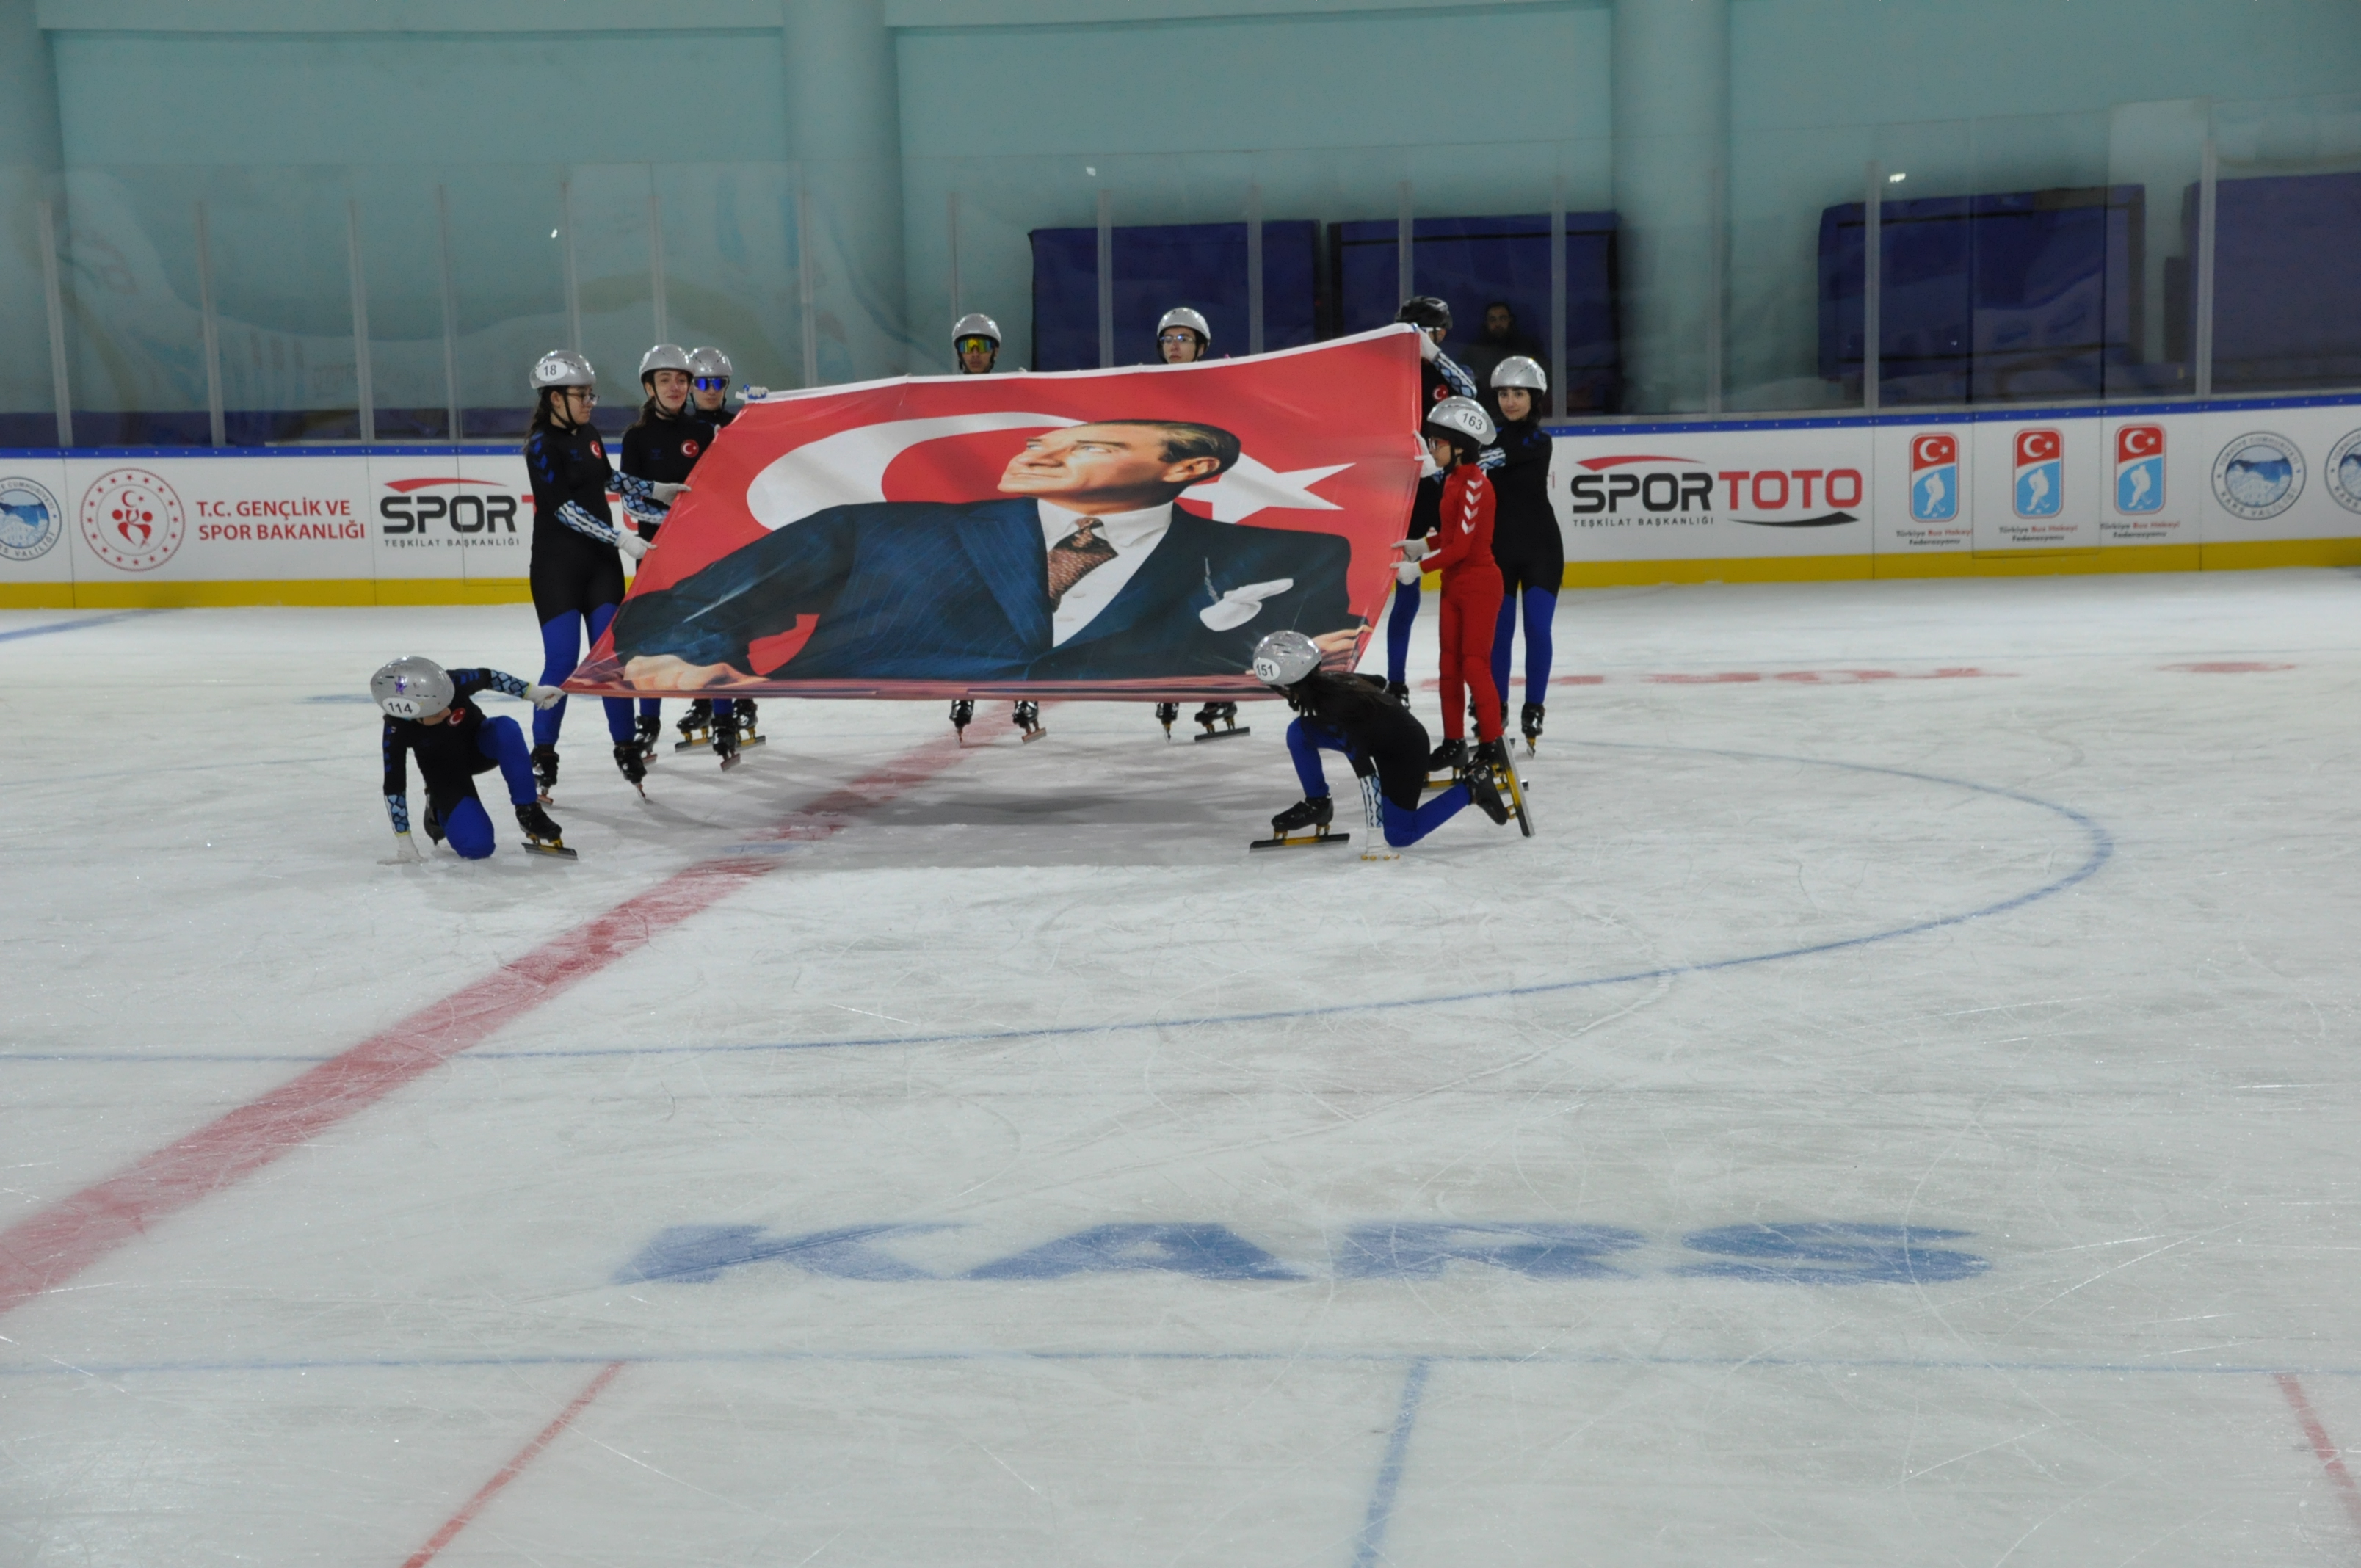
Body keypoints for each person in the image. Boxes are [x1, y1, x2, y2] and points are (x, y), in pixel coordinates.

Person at [612, 420, 1360, 689]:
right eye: (1037, 442)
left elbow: (1299, 656)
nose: (1039, 454)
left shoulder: (1288, 555)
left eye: (1089, 447)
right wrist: (687, 658)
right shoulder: (871, 531)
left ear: (1189, 468)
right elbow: (683, 610)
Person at [521, 350, 673, 799]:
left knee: (611, 660)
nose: (590, 402)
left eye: (592, 394)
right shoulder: (540, 446)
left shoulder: (587, 434)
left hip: (601, 568)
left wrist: (654, 489)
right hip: (557, 569)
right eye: (582, 395)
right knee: (562, 662)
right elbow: (564, 510)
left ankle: (625, 746)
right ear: (555, 398)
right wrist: (620, 538)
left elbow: (608, 477)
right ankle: (543, 755)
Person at [1251, 631, 1508, 849]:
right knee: (1299, 732)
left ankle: (1473, 788)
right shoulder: (1326, 682)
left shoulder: (1334, 708)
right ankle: (1318, 803)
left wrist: (1374, 835)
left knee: (1399, 835)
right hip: (1382, 737)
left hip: (1404, 752)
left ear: (1285, 686)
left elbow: (1366, 775)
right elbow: (1379, 681)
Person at [618, 344, 722, 774]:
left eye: (682, 380)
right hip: (657, 554)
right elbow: (630, 500)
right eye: (665, 380)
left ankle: (722, 714)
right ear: (649, 387)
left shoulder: (706, 432)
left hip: (701, 552)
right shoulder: (636, 438)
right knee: (652, 643)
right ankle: (648, 723)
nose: (675, 387)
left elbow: (721, 492)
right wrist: (674, 522)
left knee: (713, 633)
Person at [943, 313, 1040, 739]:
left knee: (1020, 605)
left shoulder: (1014, 393)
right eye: (967, 347)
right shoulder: (941, 397)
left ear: (995, 351)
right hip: (964, 515)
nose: (975, 354)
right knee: (966, 605)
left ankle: (1026, 690)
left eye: (982, 346)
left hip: (1010, 515)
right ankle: (963, 689)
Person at [374, 656, 573, 860]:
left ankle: (529, 812)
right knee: (478, 847)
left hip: (479, 747)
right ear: (412, 716)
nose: (447, 711)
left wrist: (534, 693)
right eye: (436, 712)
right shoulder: (396, 730)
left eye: (445, 701)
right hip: (444, 773)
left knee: (505, 729)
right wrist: (405, 842)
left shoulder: (451, 682)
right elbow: (394, 786)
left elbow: (489, 677)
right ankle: (438, 808)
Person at [1396, 396, 1504, 772]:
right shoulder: (1452, 480)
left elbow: (1462, 548)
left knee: (1474, 666)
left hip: (1479, 585)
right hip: (1454, 585)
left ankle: (1492, 744)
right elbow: (1451, 535)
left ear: (1460, 446)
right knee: (1448, 668)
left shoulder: (1476, 485)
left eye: (1437, 443)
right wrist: (1423, 545)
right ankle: (1454, 742)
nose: (1432, 449)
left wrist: (1419, 569)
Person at [1384, 297, 1484, 701]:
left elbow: (1471, 393)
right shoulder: (1391, 374)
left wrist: (1435, 355)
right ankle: (1396, 681)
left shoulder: (1449, 370)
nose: (1436, 338)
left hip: (1444, 488)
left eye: (1435, 335)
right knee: (1405, 592)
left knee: (1463, 587)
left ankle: (1475, 684)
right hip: (1405, 489)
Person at [1148, 306, 1239, 741]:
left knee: (1210, 598)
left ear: (1201, 347)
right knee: (1163, 598)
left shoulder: (1220, 387)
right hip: (1163, 509)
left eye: (1184, 339)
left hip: (1208, 506)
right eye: (1168, 339)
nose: (1175, 345)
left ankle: (1219, 689)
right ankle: (1170, 683)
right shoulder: (1143, 387)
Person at [679, 346, 757, 754]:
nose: (710, 390)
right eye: (703, 382)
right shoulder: (678, 428)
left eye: (718, 383)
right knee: (697, 621)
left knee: (735, 619)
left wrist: (763, 414)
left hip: (732, 534)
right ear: (691, 386)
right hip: (692, 538)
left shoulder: (740, 424)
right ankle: (703, 697)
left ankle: (743, 697)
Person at [1484, 356, 1559, 750]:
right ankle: (1495, 707)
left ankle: (1534, 707)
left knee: (1537, 629)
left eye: (1518, 393)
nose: (1510, 401)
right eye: (1503, 394)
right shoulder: (1486, 437)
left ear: (1534, 398)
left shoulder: (1539, 441)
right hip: (1499, 549)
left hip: (1541, 548)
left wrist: (1459, 458)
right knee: (1499, 633)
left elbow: (1501, 456)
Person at [1461, 300, 1545, 400]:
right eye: (1493, 320)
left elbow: (1544, 377)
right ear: (1486, 323)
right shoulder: (1474, 352)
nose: (1498, 324)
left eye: (1502, 318)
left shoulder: (1527, 348)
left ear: (1510, 320)